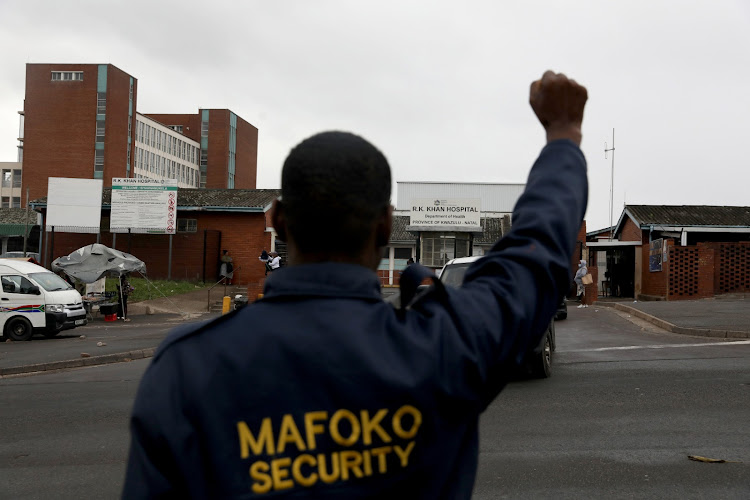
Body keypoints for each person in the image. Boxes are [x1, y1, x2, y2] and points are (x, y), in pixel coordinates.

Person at [123, 70, 588, 498]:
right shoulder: (445, 345)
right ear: (387, 228)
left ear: (279, 222)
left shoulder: (187, 368)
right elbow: (534, 259)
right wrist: (563, 137)